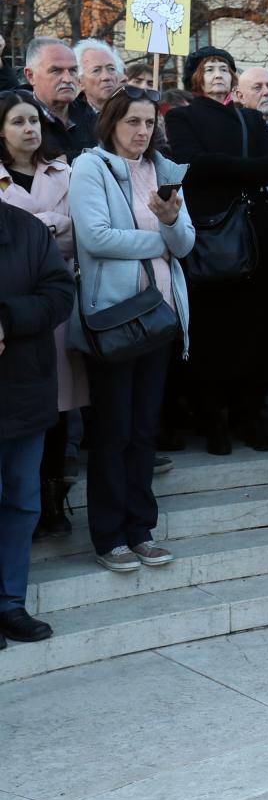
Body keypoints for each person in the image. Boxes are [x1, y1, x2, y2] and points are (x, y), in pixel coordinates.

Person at [69, 87, 194, 571]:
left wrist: (170, 224)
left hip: (161, 315)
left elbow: (184, 244)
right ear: (111, 123)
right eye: (132, 122)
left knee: (144, 431)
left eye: (149, 122)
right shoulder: (90, 167)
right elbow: (96, 237)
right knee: (113, 431)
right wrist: (157, 238)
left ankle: (141, 529)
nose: (142, 132)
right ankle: (108, 536)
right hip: (116, 315)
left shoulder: (164, 170)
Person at [162, 47, 268, 454]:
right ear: (194, 78)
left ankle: (248, 417)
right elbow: (191, 163)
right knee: (213, 333)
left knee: (255, 331)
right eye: (208, 68)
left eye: (224, 69)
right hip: (212, 239)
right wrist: (247, 169)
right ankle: (212, 420)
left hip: (255, 236)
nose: (218, 74)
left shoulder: (250, 117)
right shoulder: (182, 117)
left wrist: (229, 167)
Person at [0, 93, 87, 540]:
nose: (30, 129)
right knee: (28, 411)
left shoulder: (63, 170)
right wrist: (52, 223)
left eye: (33, 120)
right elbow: (57, 225)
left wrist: (39, 224)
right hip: (14, 305)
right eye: (18, 122)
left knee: (60, 407)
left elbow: (81, 226)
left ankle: (54, 501)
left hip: (57, 296)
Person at [0, 188, 74, 645]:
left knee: (22, 504)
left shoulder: (24, 228)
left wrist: (7, 320)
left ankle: (11, 603)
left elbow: (59, 294)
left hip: (23, 393)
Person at [20, 36, 91, 157]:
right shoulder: (16, 122)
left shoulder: (91, 118)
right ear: (31, 75)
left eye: (73, 70)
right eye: (56, 70)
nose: (68, 79)